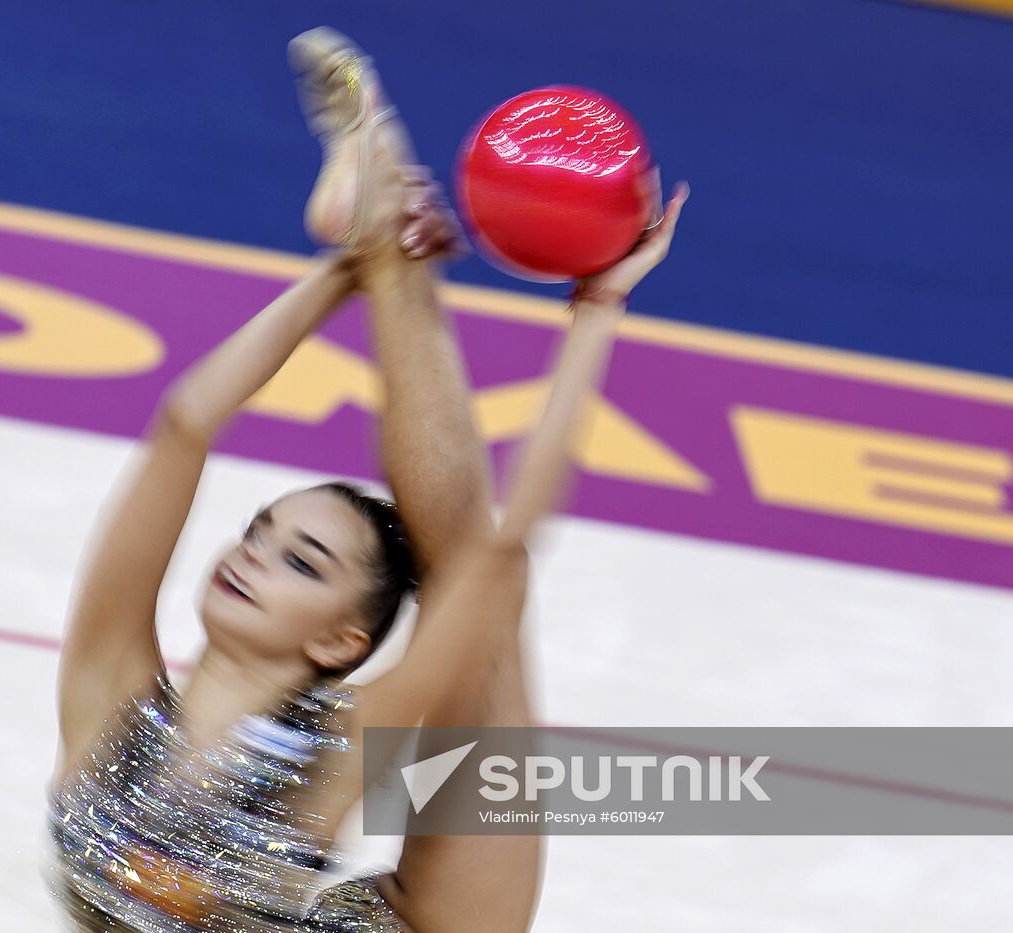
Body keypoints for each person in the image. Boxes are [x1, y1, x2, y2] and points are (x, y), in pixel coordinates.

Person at [46, 27, 688, 933]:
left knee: (484, 593)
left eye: (300, 563)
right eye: (260, 533)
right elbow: (186, 424)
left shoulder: (337, 747)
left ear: (344, 639)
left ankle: (390, 250)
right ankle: (380, 246)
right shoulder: (112, 690)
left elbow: (500, 558)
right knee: (479, 579)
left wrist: (597, 312)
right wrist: (335, 274)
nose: (251, 555)